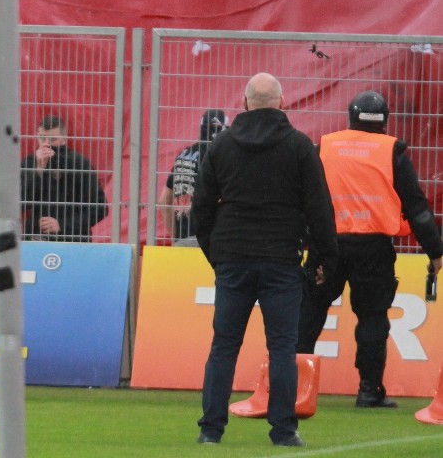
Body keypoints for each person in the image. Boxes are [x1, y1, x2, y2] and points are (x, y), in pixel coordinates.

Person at [192, 72, 339, 447]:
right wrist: (322, 258)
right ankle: (284, 431)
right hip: (281, 259)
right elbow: (319, 208)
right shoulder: (299, 146)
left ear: (244, 103)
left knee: (224, 345)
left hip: (233, 258)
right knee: (283, 349)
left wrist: (218, 255)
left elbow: (201, 209)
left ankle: (211, 430)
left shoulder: (221, 145)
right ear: (282, 101)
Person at [297, 90, 443, 408]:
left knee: (310, 312)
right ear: (384, 122)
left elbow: (304, 197)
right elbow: (416, 208)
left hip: (327, 246)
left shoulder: (326, 146)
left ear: (351, 117)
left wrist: (303, 241)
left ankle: (293, 384)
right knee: (373, 317)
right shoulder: (393, 152)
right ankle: (369, 389)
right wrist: (435, 250)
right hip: (373, 249)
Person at [19, 114, 109, 242]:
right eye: (42, 138)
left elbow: (100, 208)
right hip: (36, 237)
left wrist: (61, 224)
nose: (47, 144)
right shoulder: (29, 162)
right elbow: (20, 203)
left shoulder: (79, 163)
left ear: (64, 139)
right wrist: (38, 170)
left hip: (72, 238)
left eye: (53, 139)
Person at [159, 109, 229, 246]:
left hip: (183, 237)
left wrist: (176, 237)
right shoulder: (217, 157)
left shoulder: (185, 154)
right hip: (208, 239)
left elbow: (163, 201)